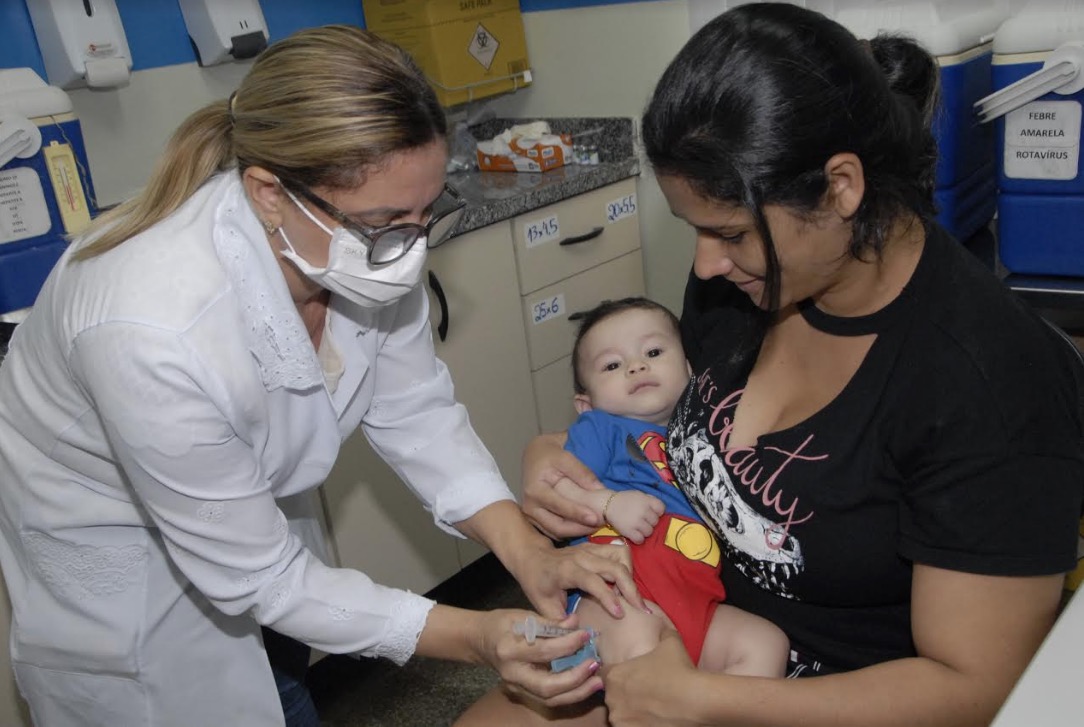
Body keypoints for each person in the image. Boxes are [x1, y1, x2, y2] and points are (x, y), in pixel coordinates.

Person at [460, 4, 1084, 727]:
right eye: (695, 229)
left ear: (841, 187)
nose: (704, 263)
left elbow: (974, 687)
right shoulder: (747, 282)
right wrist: (558, 457)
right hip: (676, 624)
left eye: (726, 232)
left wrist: (700, 699)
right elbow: (662, 422)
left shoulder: (987, 383)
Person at [0, 26, 635, 727]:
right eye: (388, 223)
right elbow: (264, 577)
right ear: (269, 194)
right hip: (122, 568)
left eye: (429, 213)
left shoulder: (354, 245)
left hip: (249, 517)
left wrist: (529, 552)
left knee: (284, 676)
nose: (412, 249)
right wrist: (480, 635)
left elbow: (418, 412)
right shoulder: (151, 327)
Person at [551, 297, 787, 678]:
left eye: (654, 351)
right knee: (641, 641)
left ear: (690, 369)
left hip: (695, 605)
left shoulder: (709, 433)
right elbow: (555, 490)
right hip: (614, 598)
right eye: (612, 365)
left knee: (765, 643)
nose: (637, 365)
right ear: (585, 404)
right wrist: (607, 502)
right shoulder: (599, 429)